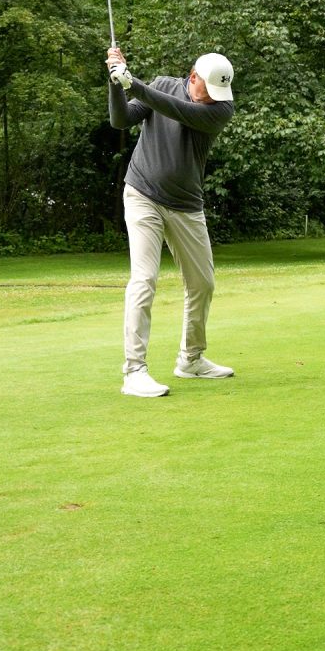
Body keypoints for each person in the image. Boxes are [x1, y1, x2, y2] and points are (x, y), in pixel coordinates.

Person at [107, 45, 236, 398]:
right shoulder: (163, 84)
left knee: (203, 283)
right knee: (144, 279)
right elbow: (121, 120)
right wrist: (117, 84)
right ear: (193, 77)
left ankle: (190, 360)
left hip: (186, 205)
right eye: (208, 90)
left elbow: (179, 111)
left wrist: (134, 84)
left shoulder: (220, 110)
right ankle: (134, 371)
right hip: (142, 195)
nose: (213, 98)